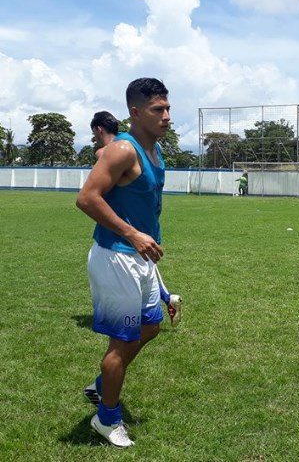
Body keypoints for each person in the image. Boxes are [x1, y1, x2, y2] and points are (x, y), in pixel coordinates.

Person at [76, 78, 171, 447]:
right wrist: (131, 234)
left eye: (167, 108)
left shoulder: (156, 150)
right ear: (135, 112)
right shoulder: (122, 151)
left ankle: (101, 386)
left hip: (141, 258)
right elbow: (87, 198)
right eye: (157, 110)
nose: (166, 116)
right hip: (117, 257)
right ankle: (106, 418)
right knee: (121, 345)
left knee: (150, 327)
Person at [90, 111, 182, 327]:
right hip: (138, 234)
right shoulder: (137, 147)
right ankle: (167, 299)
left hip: (122, 241)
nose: (166, 116)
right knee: (138, 321)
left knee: (136, 322)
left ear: (98, 129)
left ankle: (166, 300)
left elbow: (93, 195)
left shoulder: (108, 152)